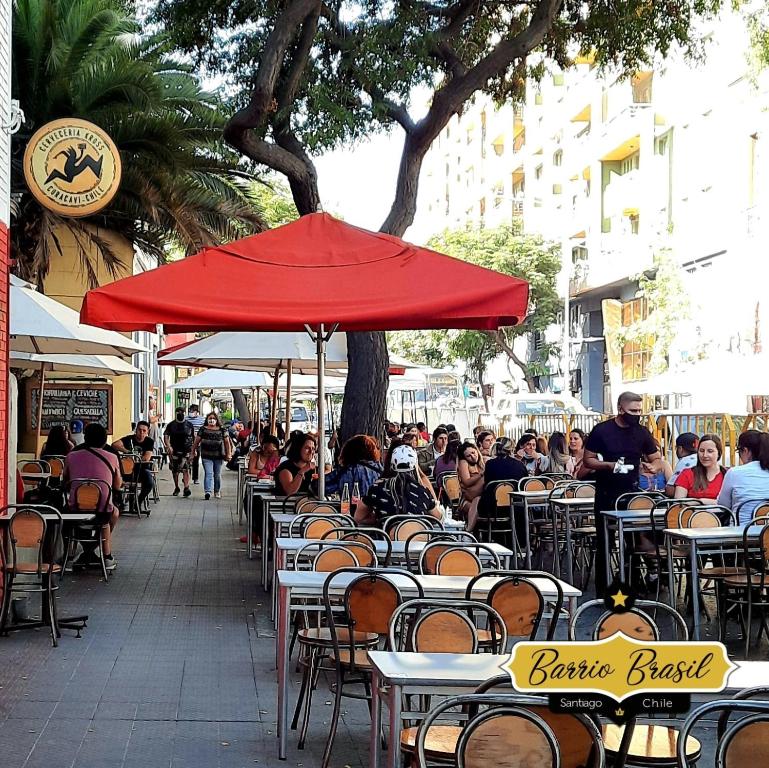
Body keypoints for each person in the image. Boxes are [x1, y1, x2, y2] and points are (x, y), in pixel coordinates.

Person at [583, 391, 662, 596]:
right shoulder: (602, 431)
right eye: (632, 411)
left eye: (639, 411)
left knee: (633, 541)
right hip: (606, 491)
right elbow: (588, 460)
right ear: (620, 409)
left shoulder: (642, 432)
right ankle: (603, 589)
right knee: (604, 542)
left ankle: (631, 583)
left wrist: (653, 466)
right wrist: (608, 465)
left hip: (631, 492)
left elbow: (657, 458)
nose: (636, 414)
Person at [64, 422, 122, 570]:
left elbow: (66, 481)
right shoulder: (112, 457)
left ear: (85, 438)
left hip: (74, 509)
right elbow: (117, 486)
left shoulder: (71, 456)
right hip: (102, 511)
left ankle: (72, 555)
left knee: (68, 517)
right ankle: (106, 556)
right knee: (113, 513)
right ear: (104, 440)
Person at [354, 444, 439, 526]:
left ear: (391, 464)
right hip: (417, 539)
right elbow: (438, 518)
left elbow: (358, 518)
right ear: (415, 465)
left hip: (386, 539)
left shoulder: (376, 489)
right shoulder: (423, 492)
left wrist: (378, 519)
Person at [718, 430, 769, 523]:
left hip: (740, 533)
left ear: (745, 451)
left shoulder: (734, 473)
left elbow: (723, 505)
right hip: (766, 533)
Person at [317, 434, 383, 498]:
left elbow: (319, 487)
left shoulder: (347, 471)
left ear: (348, 451)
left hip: (350, 508)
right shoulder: (381, 470)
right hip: (376, 508)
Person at [113, 421, 155, 509]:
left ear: (147, 432)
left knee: (150, 483)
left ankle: (138, 501)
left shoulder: (149, 441)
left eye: (144, 431)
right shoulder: (129, 439)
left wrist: (133, 458)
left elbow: (146, 458)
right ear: (136, 430)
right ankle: (119, 504)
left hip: (142, 470)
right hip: (127, 471)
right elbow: (114, 444)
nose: (141, 433)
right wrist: (127, 451)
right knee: (114, 479)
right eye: (139, 430)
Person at [674, 434, 726, 503]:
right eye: (701, 451)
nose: (705, 455)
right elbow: (678, 504)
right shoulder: (686, 474)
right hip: (692, 513)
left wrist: (701, 502)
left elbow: (733, 503)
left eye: (710, 451)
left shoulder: (727, 474)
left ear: (719, 453)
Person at [192, 412, 232, 500]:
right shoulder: (203, 429)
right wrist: (193, 451)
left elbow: (227, 442)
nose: (212, 420)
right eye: (210, 418)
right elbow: (196, 441)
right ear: (207, 419)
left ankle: (217, 491)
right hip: (206, 455)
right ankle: (207, 491)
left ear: (217, 420)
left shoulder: (222, 429)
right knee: (208, 473)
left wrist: (228, 454)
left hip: (218, 456)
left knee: (217, 474)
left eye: (214, 418)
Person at [163, 407, 194, 497]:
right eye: (178, 412)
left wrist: (193, 449)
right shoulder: (171, 425)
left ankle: (186, 487)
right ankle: (176, 487)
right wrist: (168, 446)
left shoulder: (189, 425)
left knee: (186, 469)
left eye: (182, 412)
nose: (180, 413)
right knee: (175, 470)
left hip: (186, 450)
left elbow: (194, 437)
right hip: (175, 450)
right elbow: (166, 436)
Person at [457, 441, 485, 530]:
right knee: (477, 509)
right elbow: (466, 482)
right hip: (467, 500)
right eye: (468, 456)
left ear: (477, 450)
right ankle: (469, 532)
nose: (473, 457)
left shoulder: (484, 461)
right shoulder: (463, 463)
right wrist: (481, 475)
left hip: (481, 497)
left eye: (473, 453)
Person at [665, 432, 699, 497]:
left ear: (680, 449)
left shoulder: (684, 462)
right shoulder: (704, 460)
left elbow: (670, 490)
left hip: (689, 504)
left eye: (676, 448)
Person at [186, 404, 205, 484]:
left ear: (197, 412)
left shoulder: (202, 420)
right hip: (187, 443)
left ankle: (195, 478)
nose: (191, 412)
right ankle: (187, 476)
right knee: (186, 461)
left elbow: (203, 430)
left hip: (197, 443)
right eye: (190, 411)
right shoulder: (186, 419)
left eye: (193, 411)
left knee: (195, 461)